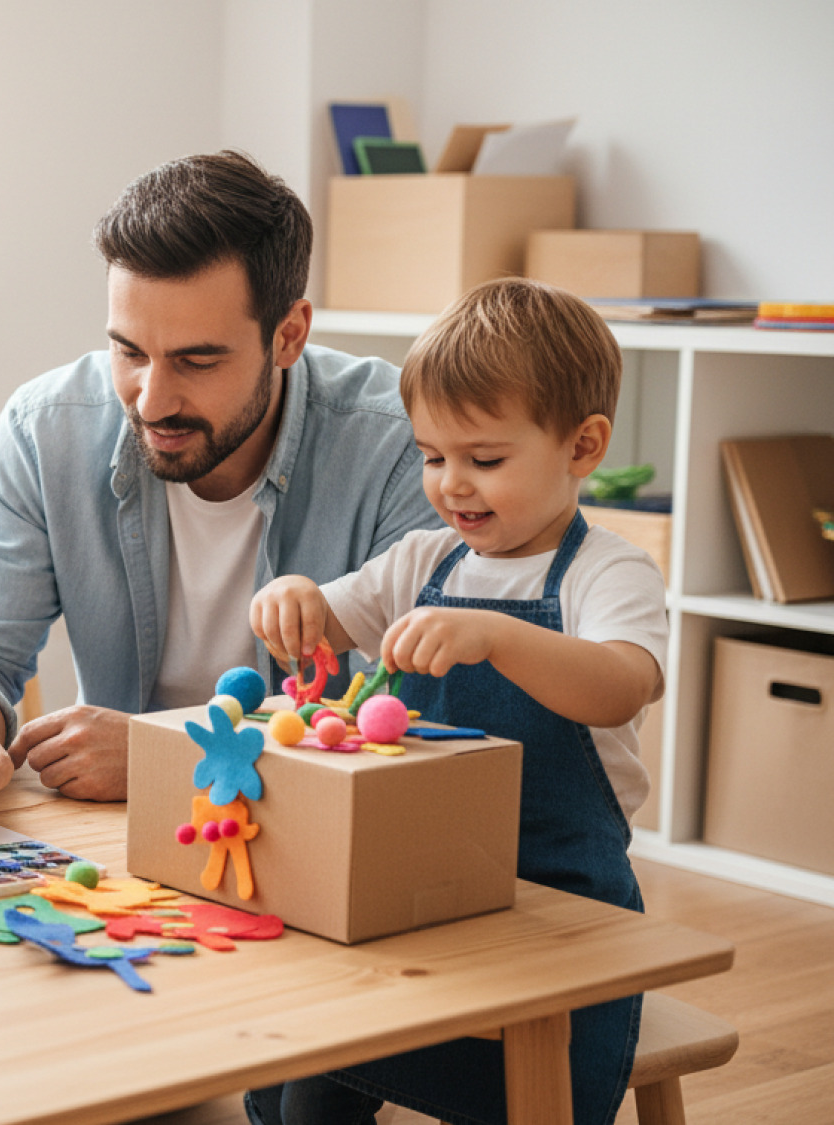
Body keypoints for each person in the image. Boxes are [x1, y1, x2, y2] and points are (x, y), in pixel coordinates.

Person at [0, 150, 437, 830]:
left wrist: (166, 752)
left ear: (288, 335)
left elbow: (421, 725)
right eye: (129, 351)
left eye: (196, 360)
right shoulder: (44, 430)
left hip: (327, 836)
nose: (151, 400)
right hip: (128, 832)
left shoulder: (404, 444)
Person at [243, 277, 663, 1125]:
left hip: (559, 912)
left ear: (582, 447)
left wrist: (498, 636)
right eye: (434, 457)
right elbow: (330, 616)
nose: (452, 485)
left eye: (485, 459)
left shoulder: (607, 572)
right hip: (419, 894)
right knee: (308, 1079)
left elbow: (623, 682)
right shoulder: (422, 559)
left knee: (523, 1099)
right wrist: (294, 596)